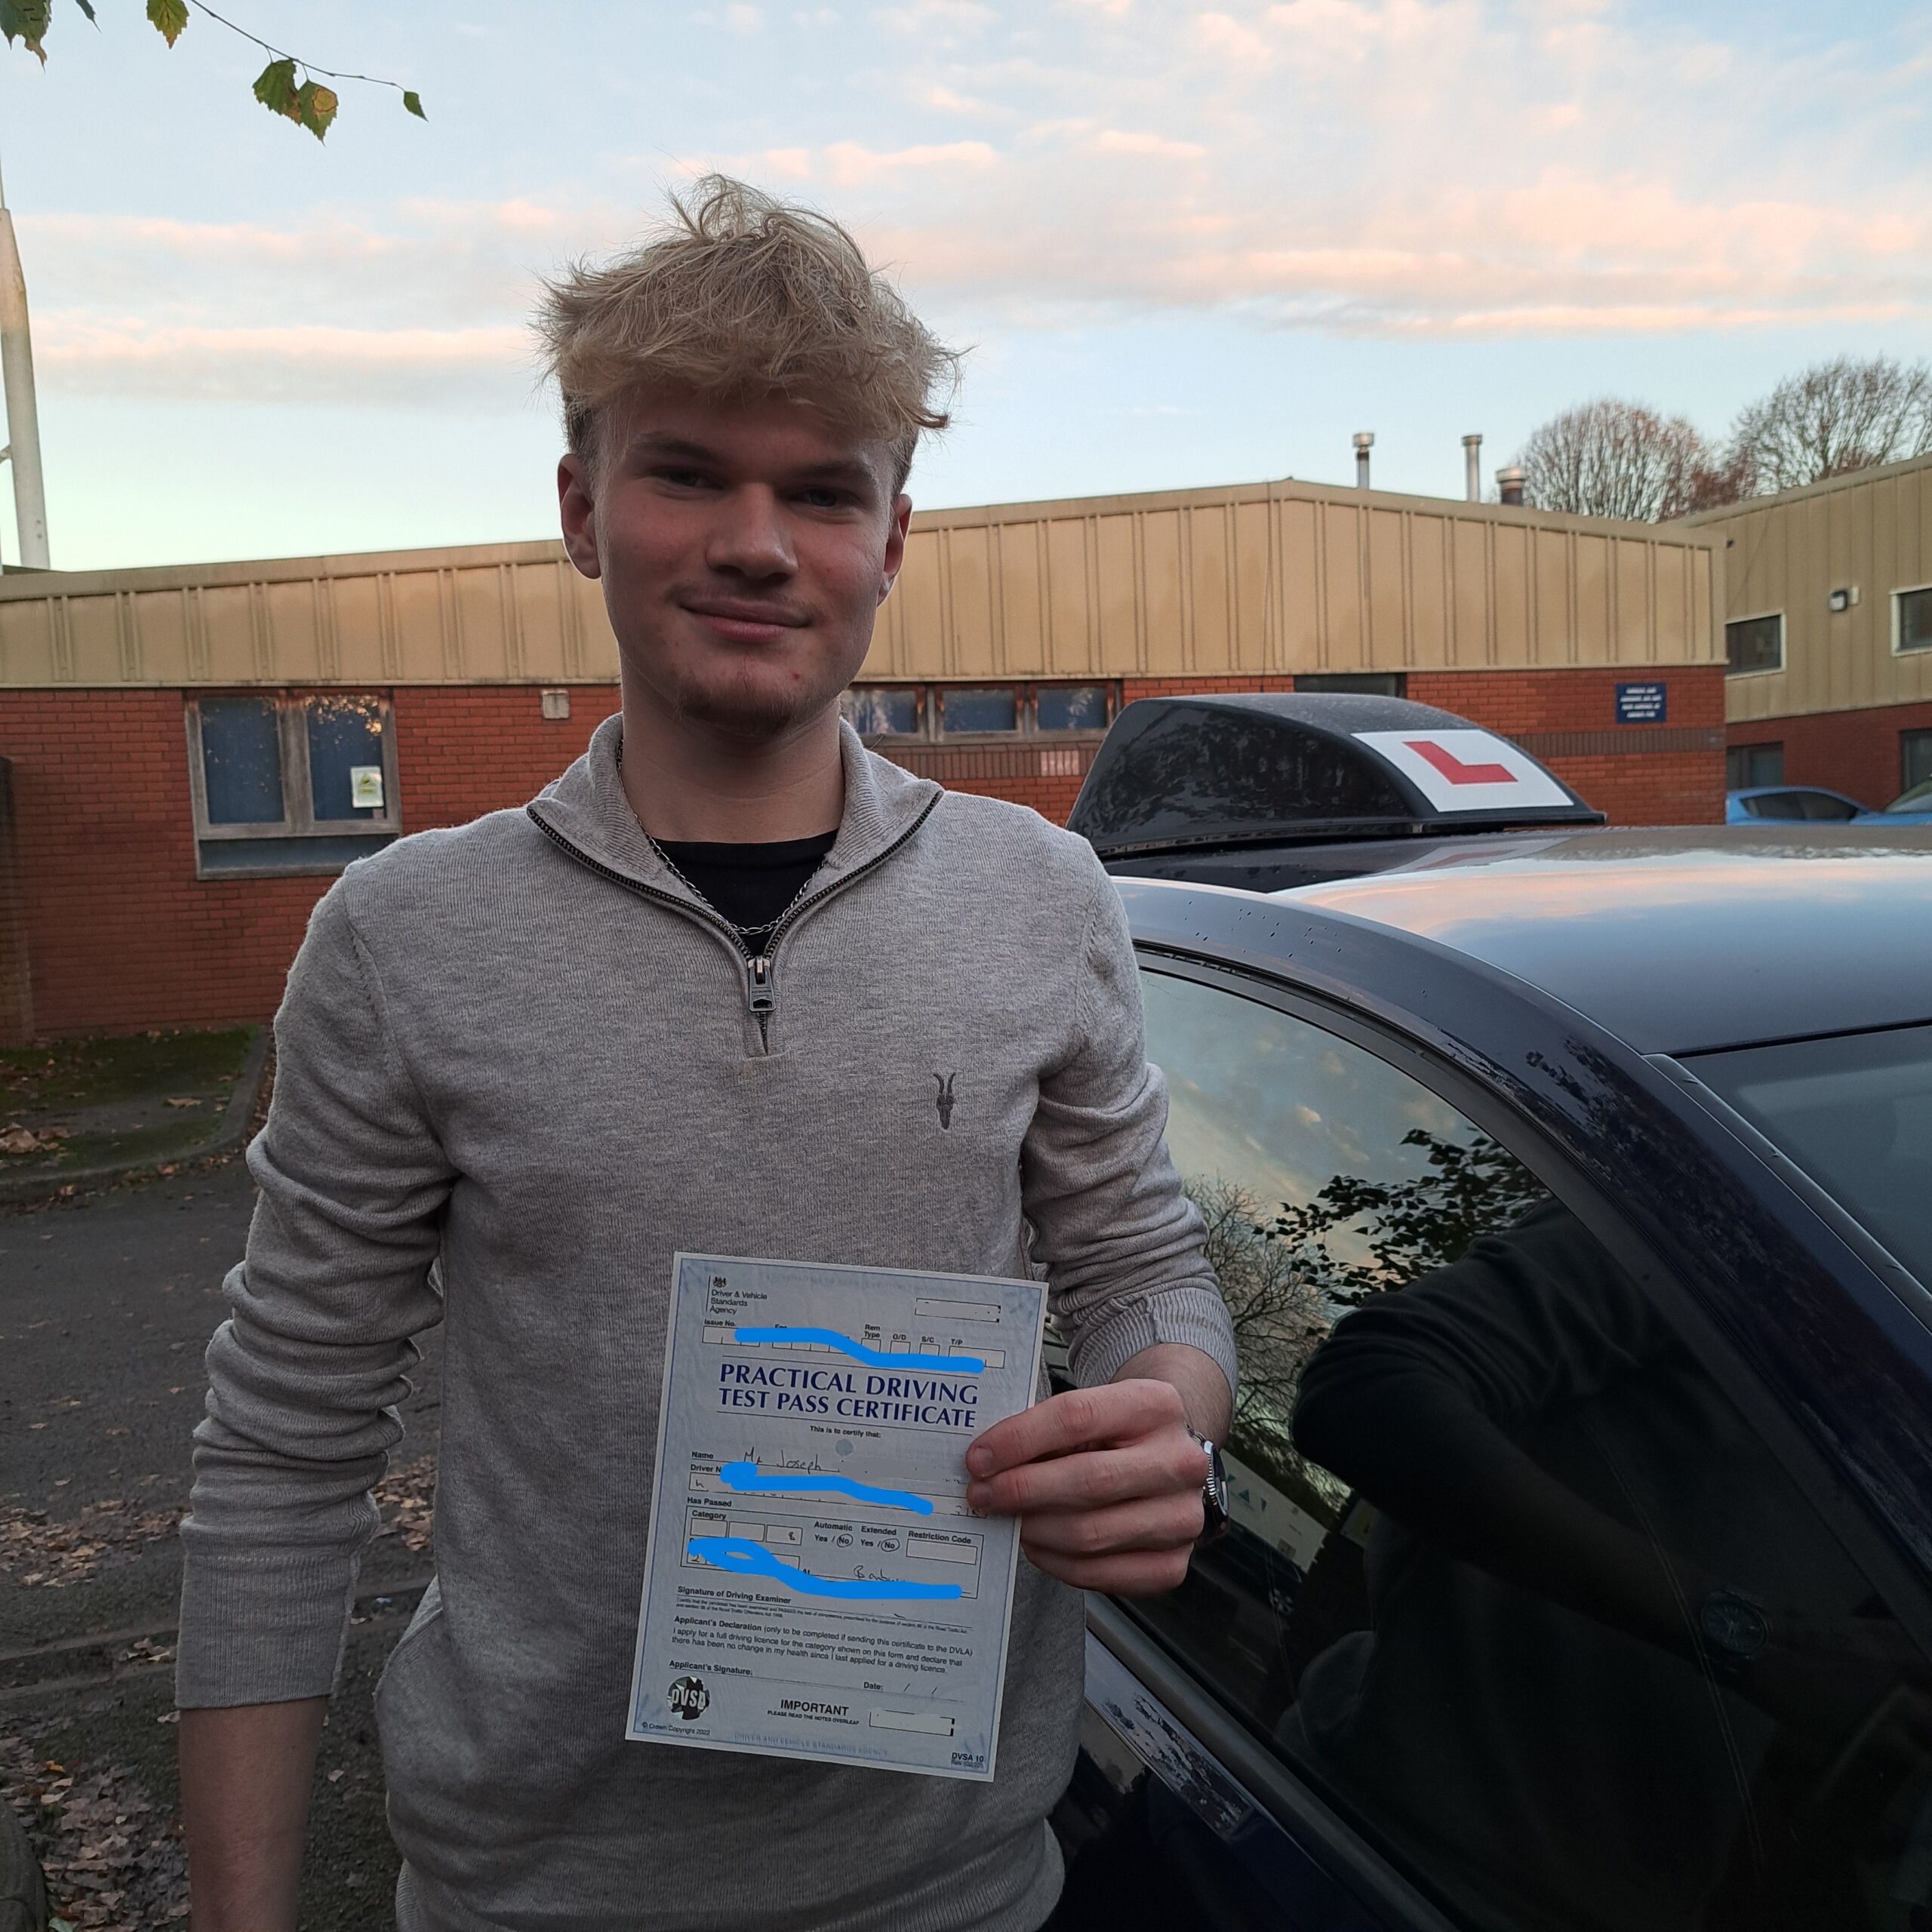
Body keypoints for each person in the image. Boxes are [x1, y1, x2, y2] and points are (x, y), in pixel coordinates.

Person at [174, 175, 1237, 1932]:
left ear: (892, 535)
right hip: (533, 1889)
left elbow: (1144, 1268)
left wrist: (1163, 1414)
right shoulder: (404, 936)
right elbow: (280, 1458)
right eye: (689, 473)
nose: (758, 541)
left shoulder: (1042, 894)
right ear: (584, 509)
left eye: (821, 489)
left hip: (957, 1883)